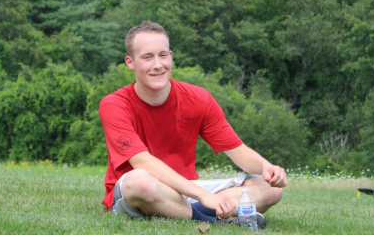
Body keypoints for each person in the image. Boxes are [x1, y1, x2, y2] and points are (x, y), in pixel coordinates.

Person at [99, 21, 286, 228]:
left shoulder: (198, 99)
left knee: (270, 189)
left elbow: (237, 150)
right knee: (140, 182)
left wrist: (266, 167)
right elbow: (143, 164)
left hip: (186, 191)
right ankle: (215, 220)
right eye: (147, 57)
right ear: (130, 62)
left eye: (162, 55)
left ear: (170, 56)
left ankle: (182, 210)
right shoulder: (114, 105)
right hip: (138, 191)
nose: (157, 65)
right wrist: (204, 196)